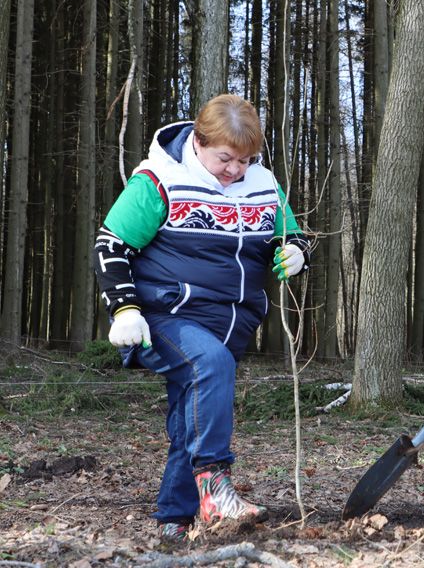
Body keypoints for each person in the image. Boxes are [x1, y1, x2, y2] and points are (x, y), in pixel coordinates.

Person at [93, 94, 310, 541]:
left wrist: (295, 252)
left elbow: (290, 234)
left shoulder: (264, 184)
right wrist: (125, 309)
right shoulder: (159, 180)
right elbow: (111, 245)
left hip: (233, 321)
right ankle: (215, 486)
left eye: (245, 160)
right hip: (163, 316)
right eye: (225, 158)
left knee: (190, 418)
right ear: (198, 140)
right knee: (209, 365)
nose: (235, 170)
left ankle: (174, 522)